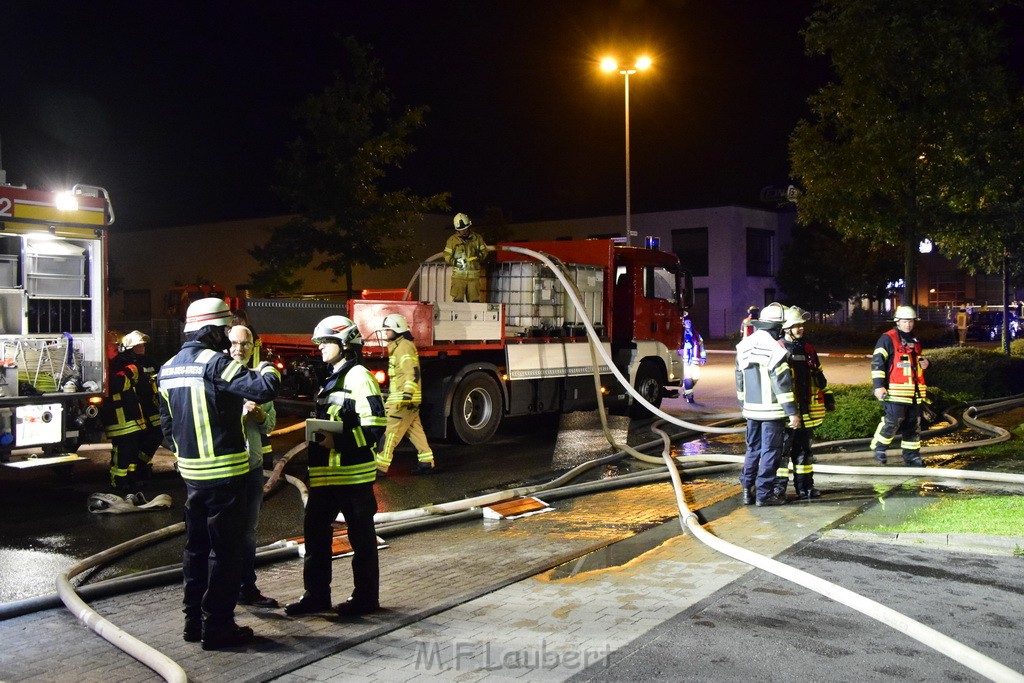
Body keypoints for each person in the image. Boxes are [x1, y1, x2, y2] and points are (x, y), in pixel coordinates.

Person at [157, 298, 281, 650]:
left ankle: (193, 623)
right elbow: (264, 389)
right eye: (224, 331)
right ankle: (219, 628)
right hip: (227, 475)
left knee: (195, 550)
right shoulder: (215, 363)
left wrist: (188, 454)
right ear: (211, 330)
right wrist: (270, 367)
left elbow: (166, 426)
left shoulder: (167, 368)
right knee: (225, 555)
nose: (228, 339)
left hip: (192, 476)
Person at [284, 315, 387, 618]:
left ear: (345, 343)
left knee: (362, 539)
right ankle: (316, 597)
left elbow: (375, 426)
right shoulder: (332, 377)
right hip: (325, 475)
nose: (321, 348)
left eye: (327, 341)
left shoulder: (359, 377)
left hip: (352, 475)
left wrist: (338, 443)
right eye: (320, 342)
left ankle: (366, 599)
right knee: (315, 537)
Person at [228, 324, 279, 609]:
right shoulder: (218, 379)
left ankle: (247, 587)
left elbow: (270, 425)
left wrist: (258, 413)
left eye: (244, 345)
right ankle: (224, 588)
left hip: (252, 467)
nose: (239, 349)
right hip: (225, 469)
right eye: (234, 344)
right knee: (225, 531)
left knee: (248, 531)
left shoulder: (260, 383)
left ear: (252, 347)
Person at [735, 302, 801, 507]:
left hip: (751, 409)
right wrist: (792, 412)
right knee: (770, 451)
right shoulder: (775, 349)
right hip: (772, 411)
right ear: (777, 327)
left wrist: (743, 404)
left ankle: (747, 490)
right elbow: (781, 383)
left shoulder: (744, 344)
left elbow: (739, 378)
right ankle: (764, 494)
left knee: (753, 449)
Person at [773, 307, 834, 500]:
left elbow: (819, 374)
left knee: (804, 452)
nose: (800, 329)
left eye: (801, 325)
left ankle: (806, 488)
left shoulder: (808, 349)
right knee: (782, 453)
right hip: (786, 412)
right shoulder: (778, 348)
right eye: (795, 326)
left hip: (805, 410)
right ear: (786, 329)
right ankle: (778, 489)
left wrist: (828, 395)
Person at [870, 305, 930, 467]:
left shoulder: (915, 340)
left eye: (911, 321)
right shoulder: (888, 338)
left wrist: (926, 363)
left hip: (914, 394)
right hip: (894, 391)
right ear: (897, 321)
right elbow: (877, 363)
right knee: (893, 421)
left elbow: (914, 363)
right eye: (905, 321)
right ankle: (879, 448)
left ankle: (912, 456)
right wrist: (878, 386)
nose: (908, 324)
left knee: (913, 425)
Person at [375, 313, 435, 475]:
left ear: (397, 329)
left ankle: (380, 466)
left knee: (390, 433)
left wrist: (407, 395)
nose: (385, 333)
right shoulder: (401, 346)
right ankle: (426, 461)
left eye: (388, 330)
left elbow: (411, 372)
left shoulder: (403, 347)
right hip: (406, 400)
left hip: (403, 400)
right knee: (415, 431)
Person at [101, 336, 150, 491]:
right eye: (111, 345)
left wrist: (128, 374)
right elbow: (116, 385)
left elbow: (138, 372)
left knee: (132, 450)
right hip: (118, 418)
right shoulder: (105, 367)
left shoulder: (122, 362)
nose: (115, 346)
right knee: (122, 451)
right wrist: (129, 375)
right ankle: (118, 481)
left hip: (132, 416)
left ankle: (130, 479)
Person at [118, 330, 164, 481]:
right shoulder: (125, 363)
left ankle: (142, 462)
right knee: (136, 439)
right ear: (130, 347)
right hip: (134, 408)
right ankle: (138, 469)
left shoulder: (150, 361)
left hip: (151, 406)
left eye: (143, 345)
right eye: (139, 345)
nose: (142, 347)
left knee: (157, 433)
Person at [444, 212, 488, 303]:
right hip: (458, 278)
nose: (463, 231)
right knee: (457, 303)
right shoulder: (452, 240)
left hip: (473, 278)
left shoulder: (477, 238)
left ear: (469, 226)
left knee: (474, 303)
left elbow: (484, 251)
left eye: (465, 229)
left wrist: (478, 257)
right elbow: (446, 255)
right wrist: (454, 262)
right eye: (461, 230)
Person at [680, 312, 706, 404]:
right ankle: (689, 397)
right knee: (688, 378)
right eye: (686, 322)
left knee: (695, 378)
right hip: (685, 361)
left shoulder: (696, 334)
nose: (688, 324)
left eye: (689, 322)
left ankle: (685, 388)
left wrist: (703, 357)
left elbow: (701, 345)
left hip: (695, 361)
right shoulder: (681, 334)